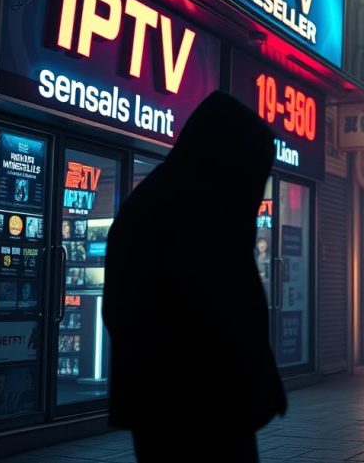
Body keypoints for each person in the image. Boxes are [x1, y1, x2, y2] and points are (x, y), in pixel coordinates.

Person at [103, 91, 286, 462]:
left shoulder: (168, 199)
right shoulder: (197, 213)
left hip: (173, 406)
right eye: (256, 174)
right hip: (197, 409)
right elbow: (223, 314)